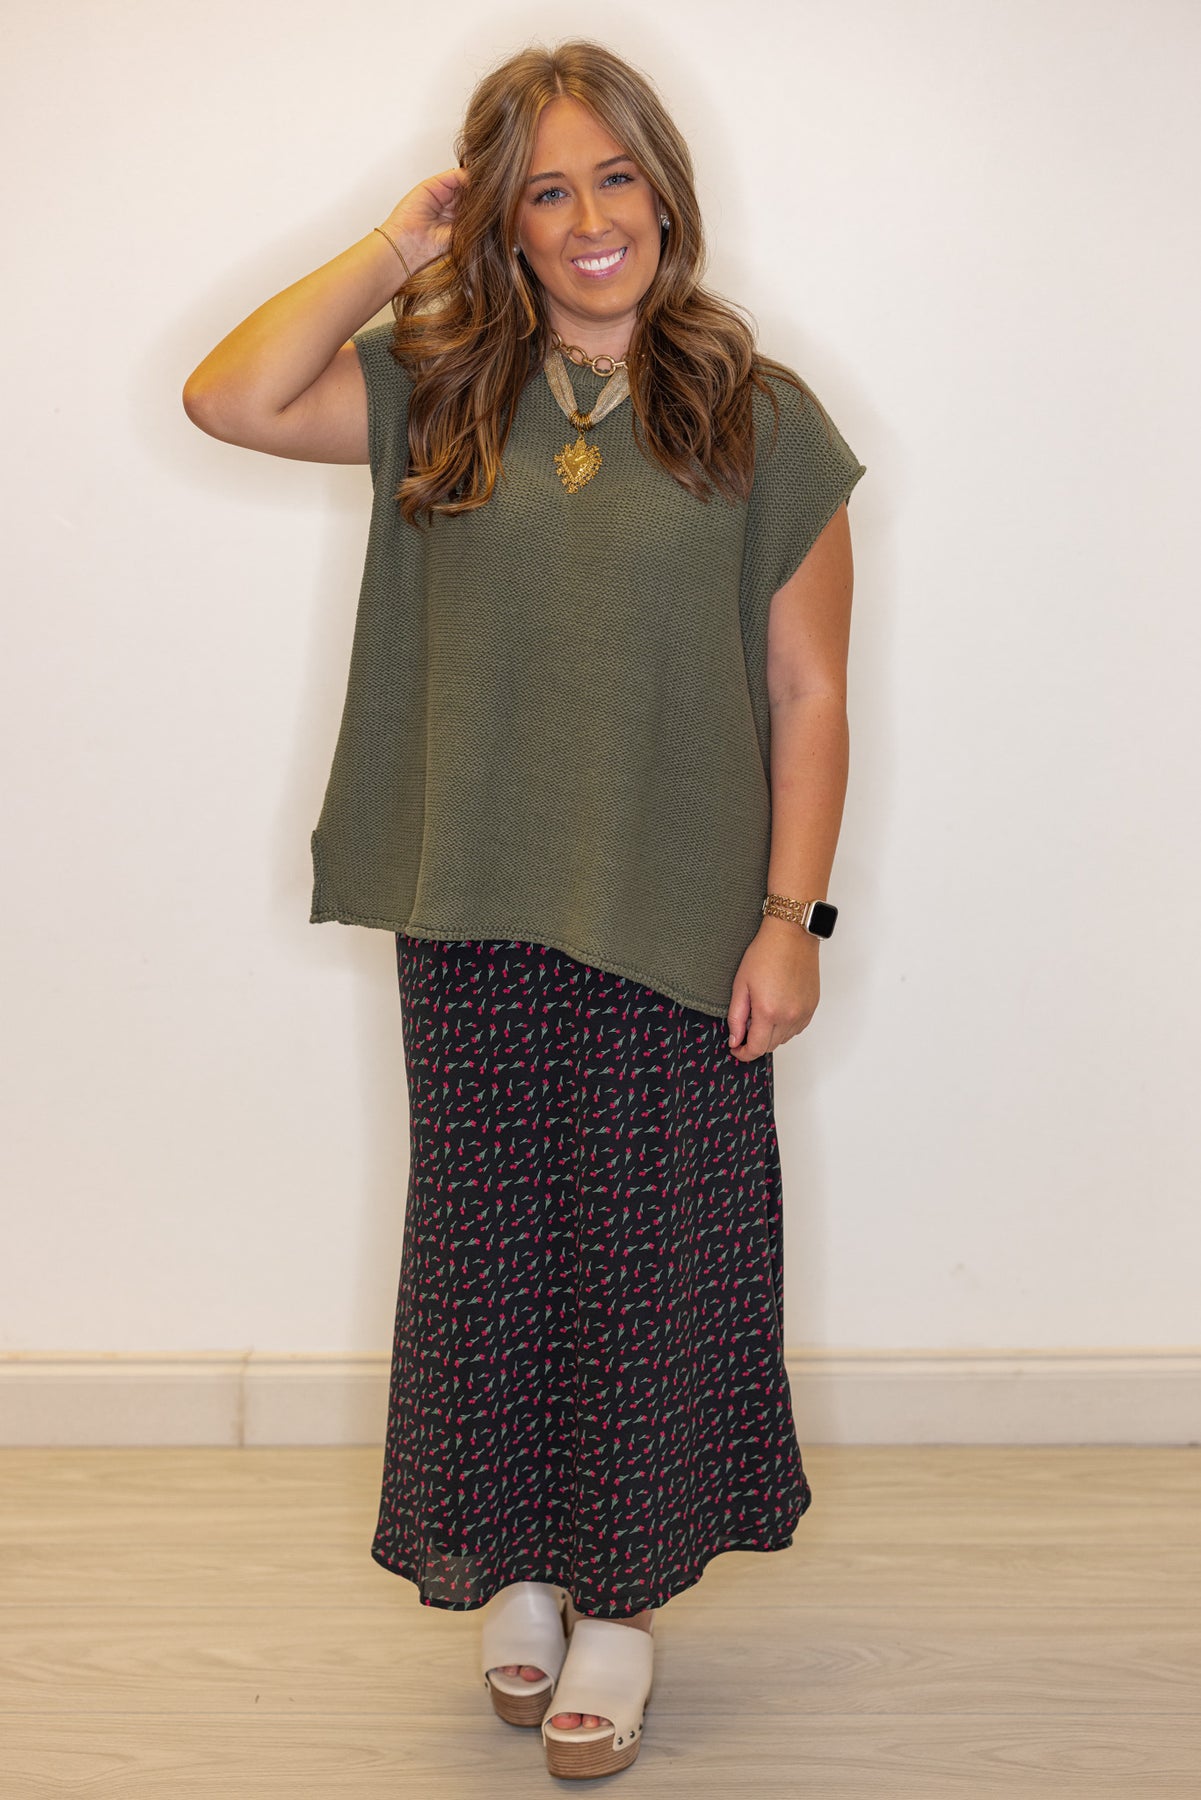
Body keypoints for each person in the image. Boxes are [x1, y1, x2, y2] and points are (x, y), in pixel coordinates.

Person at [183, 36, 865, 1782]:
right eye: (543, 190)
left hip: (675, 918)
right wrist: (398, 246)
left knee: (652, 1265)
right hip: (472, 901)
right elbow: (232, 397)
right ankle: (518, 1572)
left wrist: (790, 918)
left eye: (613, 177)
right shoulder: (439, 390)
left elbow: (806, 693)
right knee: (490, 1259)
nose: (586, 218)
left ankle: (621, 1607)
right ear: (501, 218)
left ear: (665, 193)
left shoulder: (760, 417)